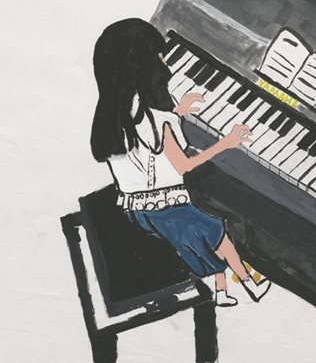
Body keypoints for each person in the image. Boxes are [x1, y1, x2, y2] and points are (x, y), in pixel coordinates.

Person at [90, 18, 268, 306]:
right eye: (159, 56)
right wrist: (226, 142)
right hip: (171, 210)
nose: (165, 63)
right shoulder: (158, 119)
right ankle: (249, 283)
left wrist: (179, 112)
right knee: (218, 234)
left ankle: (222, 291)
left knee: (207, 236)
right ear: (145, 64)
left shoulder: (109, 118)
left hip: (138, 212)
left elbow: (146, 145)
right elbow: (182, 165)